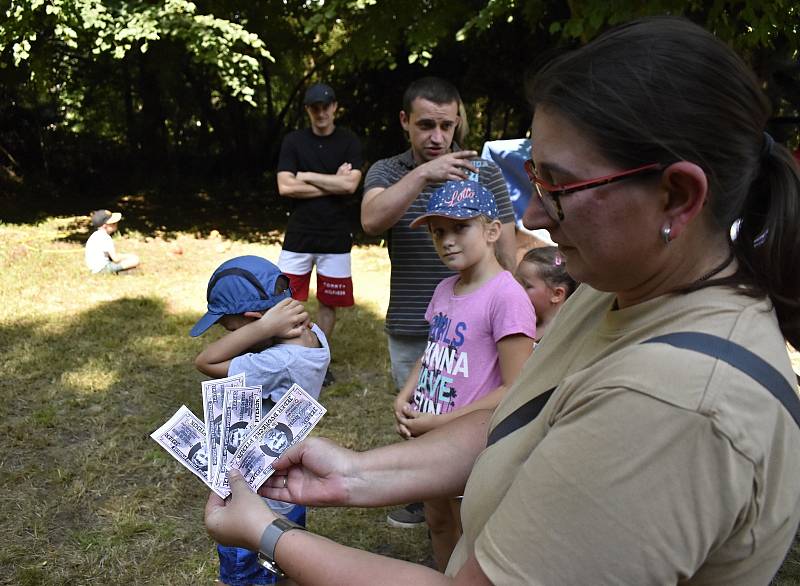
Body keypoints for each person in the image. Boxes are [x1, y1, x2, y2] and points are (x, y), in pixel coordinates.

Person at [205, 17, 800, 585]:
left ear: (676, 197)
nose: (534, 216)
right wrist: (356, 474)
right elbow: (518, 414)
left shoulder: (675, 409)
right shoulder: (618, 290)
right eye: (535, 182)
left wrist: (270, 534)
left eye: (559, 188)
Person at [361, 76, 517, 527]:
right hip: (414, 321)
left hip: (480, 325)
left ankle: (467, 502)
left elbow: (505, 248)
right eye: (426, 125)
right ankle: (425, 494)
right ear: (405, 122)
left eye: (446, 126)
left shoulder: (482, 171)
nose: (438, 137)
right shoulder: (388, 171)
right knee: (418, 410)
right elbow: (372, 219)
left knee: (470, 419)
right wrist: (424, 175)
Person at [391, 179, 535, 569]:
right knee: (437, 518)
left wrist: (440, 422)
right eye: (439, 232)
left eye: (460, 228)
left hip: (472, 442)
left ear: (492, 231)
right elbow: (433, 350)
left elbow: (516, 387)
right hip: (431, 431)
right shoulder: (443, 288)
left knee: (470, 528)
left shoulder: (506, 297)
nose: (447, 240)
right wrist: (406, 396)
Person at [191, 255, 331, 586]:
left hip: (254, 492)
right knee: (284, 556)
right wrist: (261, 328)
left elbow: (206, 361)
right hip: (289, 476)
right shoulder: (315, 337)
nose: (229, 337)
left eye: (230, 328)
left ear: (254, 319)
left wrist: (262, 329)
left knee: (246, 568)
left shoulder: (273, 363)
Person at [276, 82, 363, 386]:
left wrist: (308, 176)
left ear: (335, 107)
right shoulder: (294, 141)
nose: (321, 112)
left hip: (336, 237)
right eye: (315, 107)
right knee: (284, 298)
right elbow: (285, 187)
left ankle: (318, 360)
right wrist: (332, 184)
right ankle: (289, 354)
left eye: (325, 106)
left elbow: (351, 186)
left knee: (328, 303)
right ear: (307, 110)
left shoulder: (349, 141)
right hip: (299, 236)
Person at [514, 246, 578, 342]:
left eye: (527, 286)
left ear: (557, 294)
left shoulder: (559, 338)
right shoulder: (522, 323)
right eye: (515, 282)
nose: (515, 289)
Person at [84, 209, 139, 274]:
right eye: (113, 223)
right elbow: (115, 258)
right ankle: (119, 272)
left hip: (93, 268)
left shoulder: (95, 235)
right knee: (135, 260)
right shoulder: (106, 238)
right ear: (105, 226)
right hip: (102, 269)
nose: (116, 224)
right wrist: (129, 256)